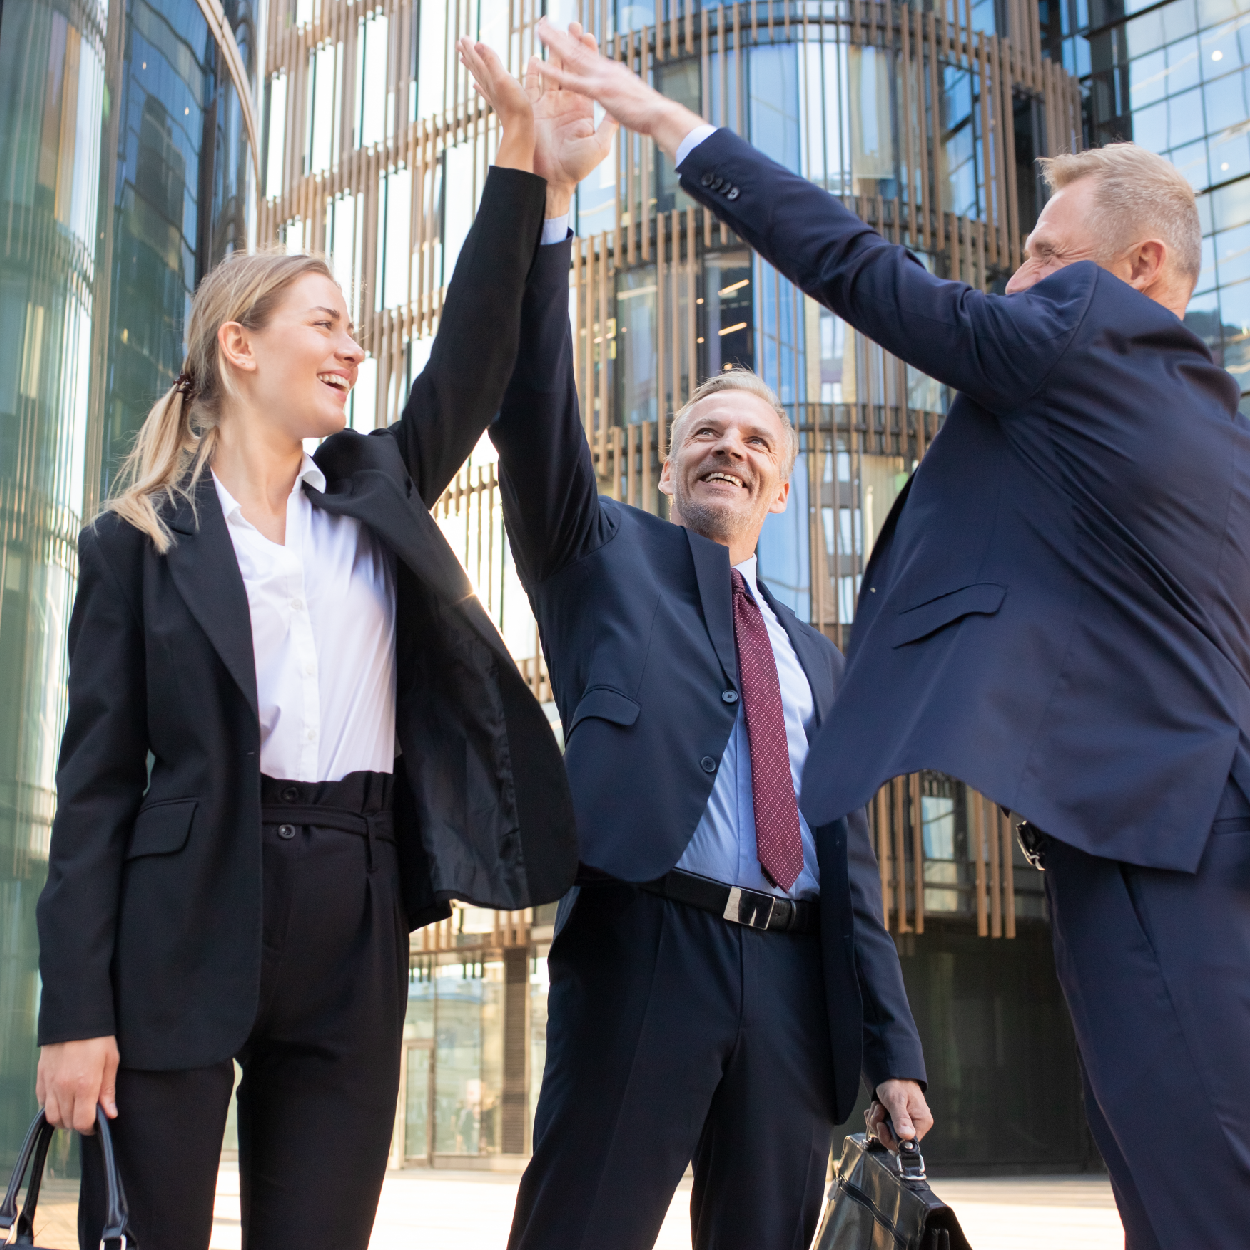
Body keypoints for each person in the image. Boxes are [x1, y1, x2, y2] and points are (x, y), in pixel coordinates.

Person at [534, 20, 1250, 1249]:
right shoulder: (1208, 420)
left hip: (1156, 843)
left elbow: (869, 274)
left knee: (1197, 1198)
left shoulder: (1085, 331)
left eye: (1040, 254)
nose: (1017, 280)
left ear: (1134, 268)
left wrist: (667, 125)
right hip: (1188, 836)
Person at [34, 40, 612, 1250]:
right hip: (184, 913)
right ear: (238, 346)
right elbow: (91, 795)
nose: (353, 348)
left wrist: (520, 162)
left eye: (354, 328)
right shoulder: (133, 543)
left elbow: (475, 351)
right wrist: (74, 1012)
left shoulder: (377, 486)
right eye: (327, 324)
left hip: (352, 907)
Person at [467, 32, 930, 1249]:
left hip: (791, 990)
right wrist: (551, 205)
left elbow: (856, 872)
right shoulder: (595, 551)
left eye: (753, 440)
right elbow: (533, 409)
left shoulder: (817, 657)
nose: (727, 446)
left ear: (779, 486)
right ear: (669, 463)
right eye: (703, 432)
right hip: (645, 942)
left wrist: (890, 1047)